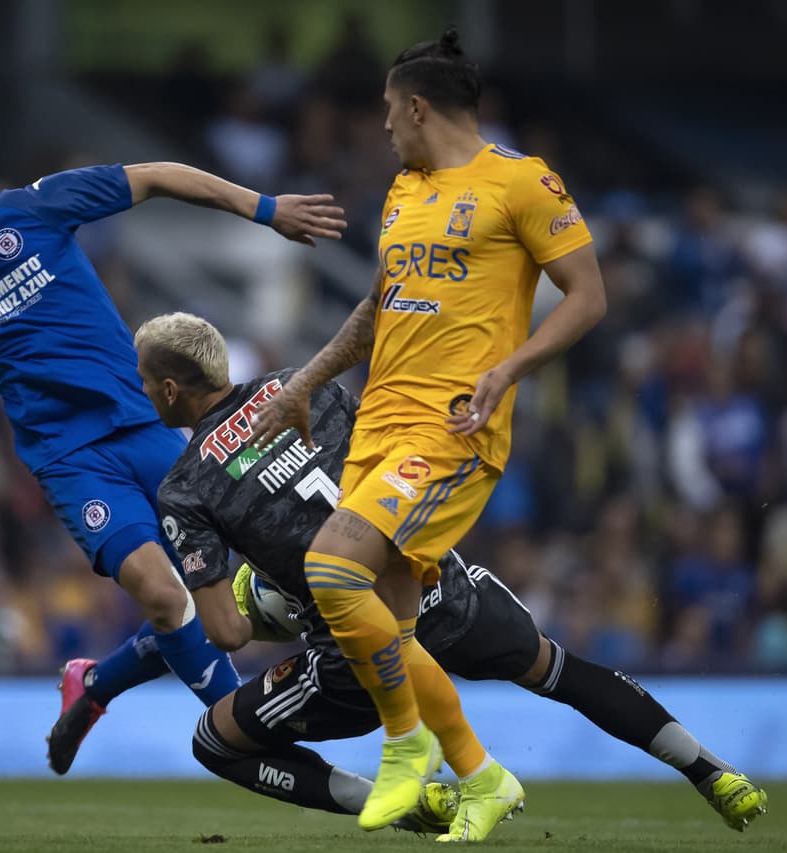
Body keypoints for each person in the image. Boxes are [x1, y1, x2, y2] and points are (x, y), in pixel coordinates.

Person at [95, 311, 764, 835]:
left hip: (360, 651)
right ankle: (713, 771)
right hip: (440, 584)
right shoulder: (306, 387)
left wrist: (264, 601)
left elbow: (228, 632)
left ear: (172, 389)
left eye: (143, 379)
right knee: (555, 668)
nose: (140, 388)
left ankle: (426, 805)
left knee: (216, 738)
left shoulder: (185, 489)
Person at [0, 158, 347, 750]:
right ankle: (247, 732)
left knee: (222, 585)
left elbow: (156, 175)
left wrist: (265, 209)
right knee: (164, 595)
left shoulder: (35, 208)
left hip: (146, 425)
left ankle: (95, 683)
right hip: (72, 463)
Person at [246, 29, 604, 840]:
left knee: (332, 569)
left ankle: (405, 745)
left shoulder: (522, 182)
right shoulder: (405, 189)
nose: (381, 127)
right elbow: (378, 306)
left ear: (416, 105)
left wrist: (510, 369)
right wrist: (305, 382)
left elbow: (587, 296)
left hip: (451, 429)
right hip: (378, 423)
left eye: (385, 110)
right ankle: (482, 777)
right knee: (389, 627)